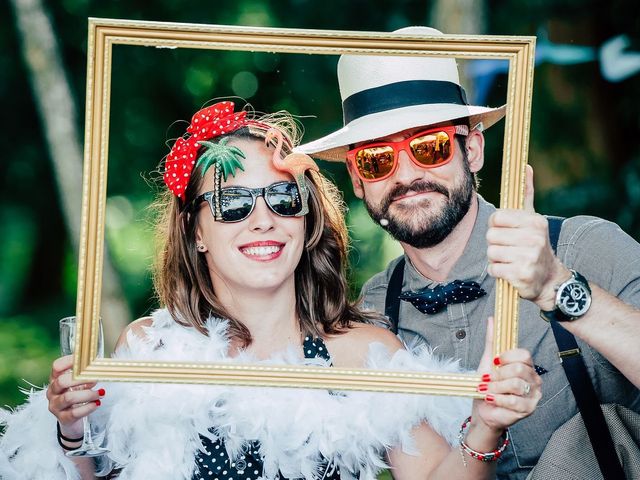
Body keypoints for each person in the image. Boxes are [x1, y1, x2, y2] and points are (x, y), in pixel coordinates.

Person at [0, 101, 541, 480]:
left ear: (306, 222)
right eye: (233, 204)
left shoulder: (363, 355)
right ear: (196, 231)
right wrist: (73, 430)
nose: (262, 220)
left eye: (282, 200)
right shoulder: (150, 350)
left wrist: (486, 424)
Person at [298, 26, 640, 479]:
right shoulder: (372, 322)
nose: (405, 175)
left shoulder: (584, 246)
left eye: (430, 147)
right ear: (359, 181)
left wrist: (558, 287)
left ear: (472, 149)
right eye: (377, 159)